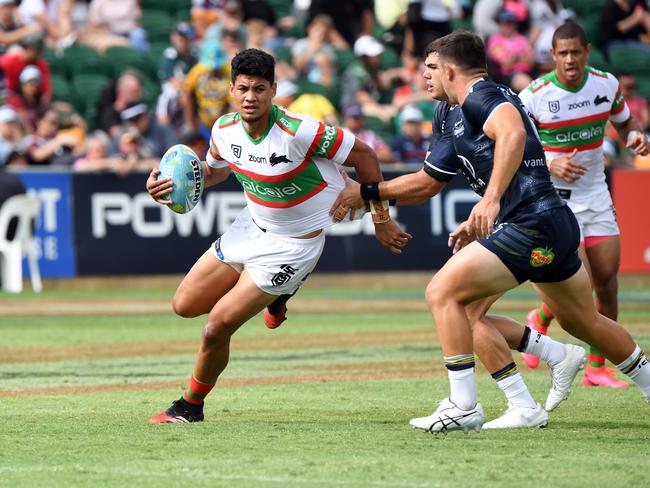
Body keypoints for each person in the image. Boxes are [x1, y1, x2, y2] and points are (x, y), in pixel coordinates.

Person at [331, 31, 650, 433]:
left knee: (443, 294)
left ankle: (466, 405)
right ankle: (554, 380)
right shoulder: (448, 113)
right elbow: (428, 183)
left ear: (449, 70)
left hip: (530, 222)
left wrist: (491, 199)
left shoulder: (482, 94)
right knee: (582, 320)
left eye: (430, 69)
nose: (423, 78)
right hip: (550, 222)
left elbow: (513, 133)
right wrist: (368, 193)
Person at [146, 48, 411, 424]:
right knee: (184, 305)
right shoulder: (224, 130)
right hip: (250, 228)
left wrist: (380, 219)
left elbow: (366, 156)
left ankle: (190, 405)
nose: (250, 97)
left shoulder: (300, 131)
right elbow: (218, 169)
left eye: (258, 89)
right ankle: (278, 295)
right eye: (242, 89)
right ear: (232, 91)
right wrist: (172, 184)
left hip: (293, 246)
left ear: (273, 90)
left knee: (215, 326)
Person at [517, 22, 650, 388]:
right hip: (554, 202)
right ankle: (542, 319)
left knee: (606, 282)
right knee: (582, 285)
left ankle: (595, 367)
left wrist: (635, 135)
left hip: (596, 195)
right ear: (553, 56)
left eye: (576, 51)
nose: (570, 59)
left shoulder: (605, 84)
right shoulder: (535, 95)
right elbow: (515, 146)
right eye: (563, 53)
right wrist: (550, 161)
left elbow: (626, 124)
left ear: (587, 51)